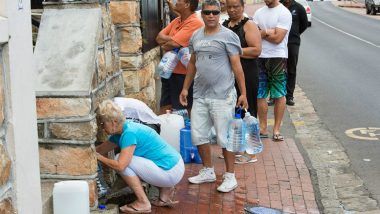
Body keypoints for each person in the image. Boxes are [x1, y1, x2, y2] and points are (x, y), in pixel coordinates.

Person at [179, 0, 248, 193]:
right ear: (202, 14)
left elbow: (237, 67)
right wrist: (185, 88)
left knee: (224, 137)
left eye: (215, 13)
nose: (211, 16)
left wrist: (243, 93)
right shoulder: (196, 36)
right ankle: (208, 171)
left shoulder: (229, 36)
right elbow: (193, 63)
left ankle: (230, 176)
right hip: (200, 94)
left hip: (223, 95)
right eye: (207, 12)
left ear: (220, 13)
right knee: (198, 135)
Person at [96, 100, 184, 213]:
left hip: (171, 171)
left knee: (120, 159)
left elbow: (120, 166)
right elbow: (101, 149)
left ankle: (143, 202)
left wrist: (98, 157)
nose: (102, 127)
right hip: (175, 164)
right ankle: (164, 194)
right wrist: (91, 152)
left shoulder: (129, 134)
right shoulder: (124, 129)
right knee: (130, 159)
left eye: (103, 123)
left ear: (114, 122)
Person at [223, 0, 262, 164]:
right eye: (229, 7)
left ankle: (251, 153)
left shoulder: (249, 25)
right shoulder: (225, 24)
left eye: (236, 7)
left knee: (248, 110)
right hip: (229, 75)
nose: (232, 10)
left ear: (242, 7)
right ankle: (236, 148)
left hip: (247, 72)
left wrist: (234, 52)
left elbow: (256, 50)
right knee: (233, 112)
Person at [253, 0, 292, 141]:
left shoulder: (284, 13)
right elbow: (253, 35)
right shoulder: (258, 12)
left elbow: (278, 38)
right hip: (260, 55)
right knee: (260, 93)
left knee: (279, 93)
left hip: (278, 56)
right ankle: (263, 128)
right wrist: (267, 32)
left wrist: (262, 33)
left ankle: (276, 129)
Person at [156, 0, 204, 114]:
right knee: (165, 106)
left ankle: (187, 131)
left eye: (179, 1)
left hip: (184, 74)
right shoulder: (177, 20)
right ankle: (166, 130)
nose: (175, 2)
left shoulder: (195, 22)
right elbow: (158, 38)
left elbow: (173, 44)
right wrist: (176, 38)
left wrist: (173, 40)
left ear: (187, 4)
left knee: (184, 109)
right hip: (168, 70)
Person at [282, 0, 308, 106]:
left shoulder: (299, 8)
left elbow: (304, 24)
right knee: (276, 69)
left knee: (291, 69)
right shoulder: (279, 6)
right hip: (278, 43)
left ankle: (289, 96)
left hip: (293, 43)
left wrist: (295, 34)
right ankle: (275, 95)